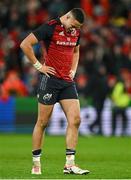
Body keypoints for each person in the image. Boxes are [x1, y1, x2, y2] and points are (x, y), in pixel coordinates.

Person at [20, 8, 90, 175]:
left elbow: (76, 51)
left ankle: (69, 164)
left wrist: (73, 70)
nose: (74, 29)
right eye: (73, 24)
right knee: (42, 122)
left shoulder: (75, 31)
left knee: (76, 120)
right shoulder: (50, 27)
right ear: (66, 17)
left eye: (78, 27)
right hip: (50, 81)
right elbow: (25, 44)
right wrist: (39, 66)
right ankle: (36, 163)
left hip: (66, 81)